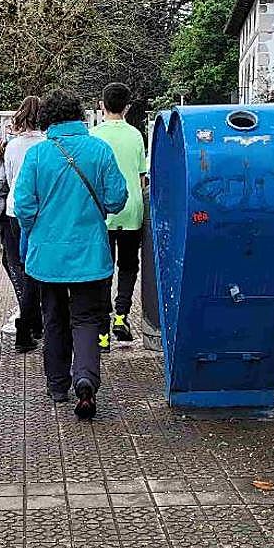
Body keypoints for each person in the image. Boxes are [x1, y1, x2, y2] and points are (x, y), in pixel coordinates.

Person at [14, 89, 127, 420]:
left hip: (47, 257)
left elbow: (23, 206)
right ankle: (86, 378)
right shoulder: (99, 150)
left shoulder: (37, 156)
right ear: (79, 115)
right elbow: (117, 198)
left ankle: (58, 385)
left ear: (49, 119)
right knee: (88, 319)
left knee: (53, 319)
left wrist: (38, 227)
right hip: (90, 254)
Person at [90, 82, 147, 351]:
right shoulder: (135, 135)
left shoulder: (93, 135)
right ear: (127, 106)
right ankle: (121, 317)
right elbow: (141, 177)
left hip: (101, 212)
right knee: (128, 265)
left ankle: (102, 332)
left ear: (102, 105)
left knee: (103, 270)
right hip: (131, 209)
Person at [0, 96, 44, 353]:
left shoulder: (12, 147)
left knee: (19, 265)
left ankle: (28, 324)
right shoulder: (48, 144)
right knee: (37, 270)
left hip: (14, 211)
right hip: (41, 213)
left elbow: (10, 180)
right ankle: (33, 323)